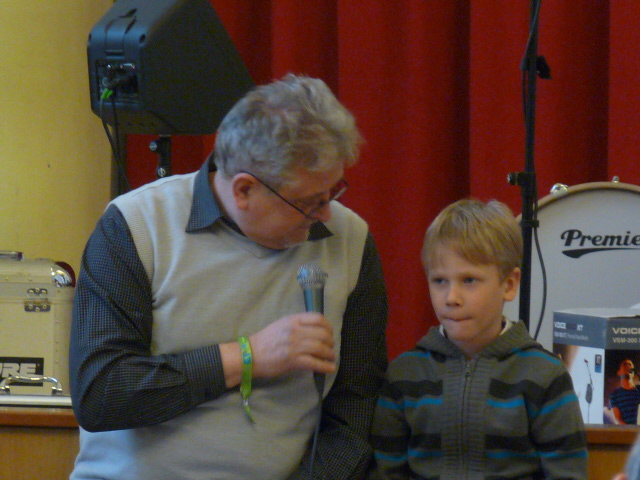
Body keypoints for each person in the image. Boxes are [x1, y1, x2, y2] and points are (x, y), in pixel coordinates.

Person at [69, 74, 388, 480]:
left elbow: (355, 414)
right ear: (244, 190)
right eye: (309, 202)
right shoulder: (135, 226)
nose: (326, 214)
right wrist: (246, 357)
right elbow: (101, 393)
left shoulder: (351, 240)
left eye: (333, 193)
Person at [367, 198, 587, 480]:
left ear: (509, 284)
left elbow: (568, 473)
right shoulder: (404, 374)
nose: (451, 298)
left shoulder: (545, 376)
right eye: (439, 281)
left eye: (469, 280)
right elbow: (386, 472)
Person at [610, 359, 640, 425]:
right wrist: (630, 429)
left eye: (630, 364)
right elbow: (618, 419)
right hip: (627, 430)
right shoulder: (615, 395)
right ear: (619, 372)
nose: (628, 366)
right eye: (624, 364)